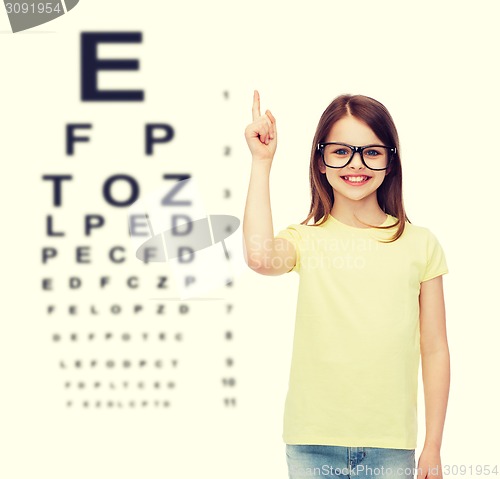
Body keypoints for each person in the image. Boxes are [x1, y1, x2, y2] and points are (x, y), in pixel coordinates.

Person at [242, 90, 450, 479]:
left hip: (390, 446)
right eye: (340, 151)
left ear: (391, 161)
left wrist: (433, 444)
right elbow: (258, 258)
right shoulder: (305, 239)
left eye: (372, 152)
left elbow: (435, 348)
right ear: (320, 161)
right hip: (311, 441)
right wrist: (261, 163)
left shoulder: (420, 244)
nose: (356, 164)